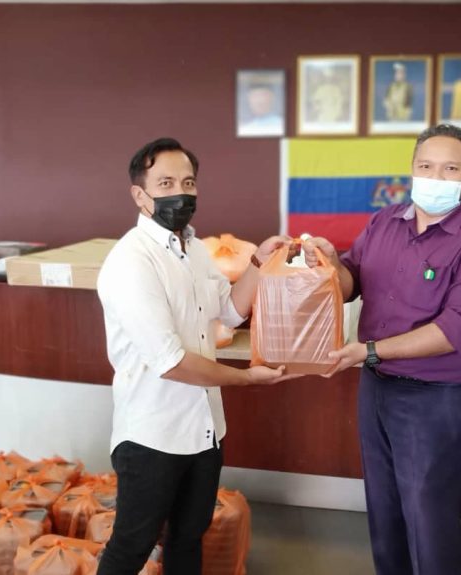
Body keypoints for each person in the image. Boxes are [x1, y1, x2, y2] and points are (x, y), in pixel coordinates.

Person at [303, 124, 461, 575]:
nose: (436, 177)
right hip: (378, 389)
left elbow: (456, 330)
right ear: (412, 170)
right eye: (426, 166)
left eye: (450, 169)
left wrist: (369, 351)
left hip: (439, 399)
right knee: (385, 515)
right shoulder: (385, 222)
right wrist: (329, 263)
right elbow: (351, 282)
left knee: (430, 523)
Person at [96, 137, 294, 575]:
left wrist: (259, 263)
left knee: (188, 537)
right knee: (132, 545)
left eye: (188, 182)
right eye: (166, 183)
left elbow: (230, 310)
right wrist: (247, 378)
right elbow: (170, 362)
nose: (180, 193)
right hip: (152, 435)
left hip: (205, 431)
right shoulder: (132, 261)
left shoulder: (195, 249)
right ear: (140, 195)